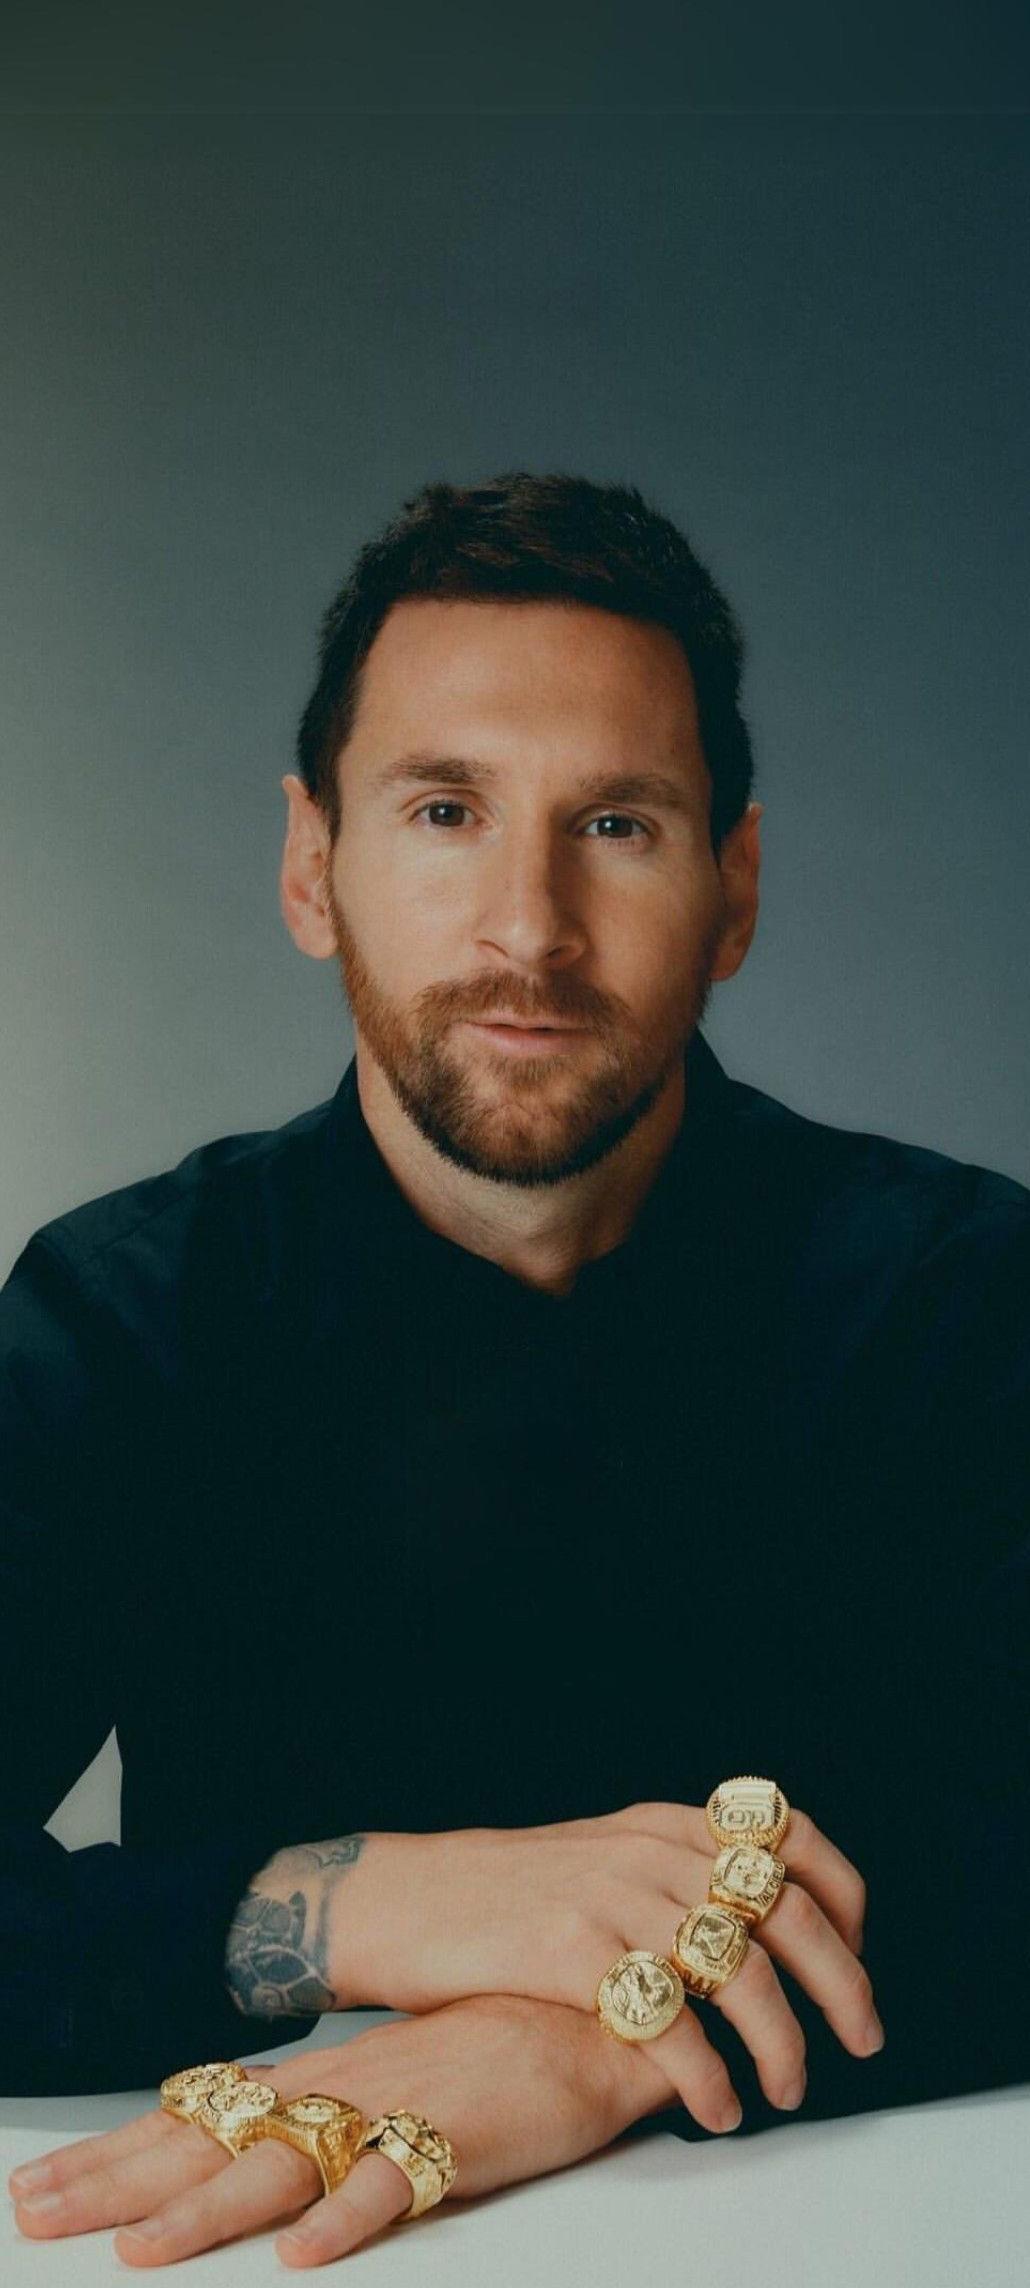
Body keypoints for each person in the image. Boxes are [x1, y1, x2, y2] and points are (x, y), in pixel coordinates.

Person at [4, 474, 1028, 2266]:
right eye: (444, 810)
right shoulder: (126, 1314)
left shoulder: (959, 1291)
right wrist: (366, 1907)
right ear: (312, 866)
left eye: (616, 824)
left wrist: (597, 2041)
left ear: (732, 890)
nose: (529, 926)